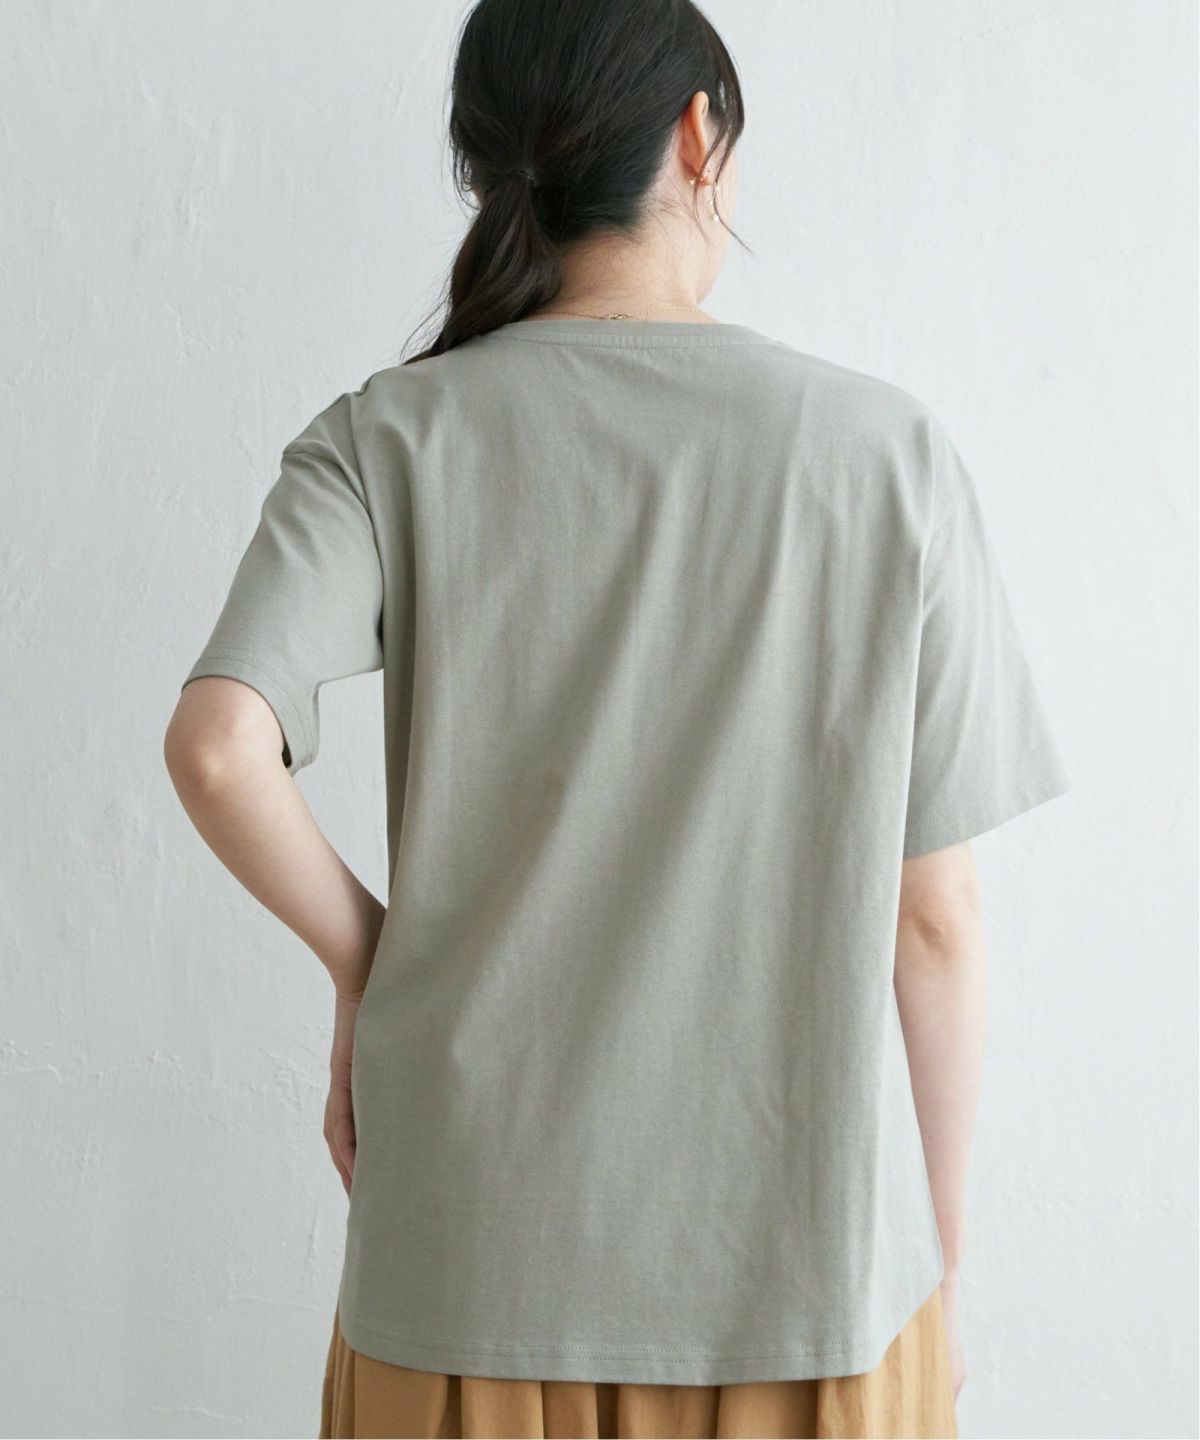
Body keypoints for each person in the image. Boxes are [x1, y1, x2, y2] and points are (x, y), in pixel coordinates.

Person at [163, 1, 1070, 1436]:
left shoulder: (384, 438)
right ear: (699, 135)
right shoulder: (883, 455)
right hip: (813, 1298)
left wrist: (368, 963)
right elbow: (934, 919)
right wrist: (943, 1269)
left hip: (461, 1287)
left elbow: (220, 747)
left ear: (492, 166)